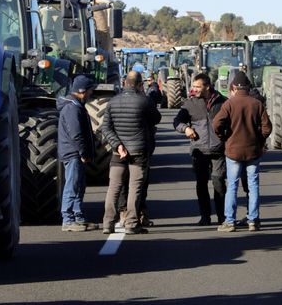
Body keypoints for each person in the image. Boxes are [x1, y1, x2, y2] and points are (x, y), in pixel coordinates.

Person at [101, 71, 161, 234]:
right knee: (135, 187)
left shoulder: (112, 102)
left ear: (125, 83)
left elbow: (105, 127)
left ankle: (108, 223)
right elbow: (157, 118)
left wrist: (118, 144)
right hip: (139, 150)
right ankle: (132, 223)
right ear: (141, 85)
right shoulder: (144, 100)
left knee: (114, 187)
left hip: (117, 152)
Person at [213, 71, 272, 232]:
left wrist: (224, 136)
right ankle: (253, 220)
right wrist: (260, 140)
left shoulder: (229, 104)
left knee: (232, 185)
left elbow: (217, 123)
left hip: (233, 151)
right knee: (253, 185)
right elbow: (267, 127)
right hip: (253, 150)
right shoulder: (257, 104)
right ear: (248, 87)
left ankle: (230, 221)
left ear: (233, 87)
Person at [173, 73, 227, 226]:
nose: (194, 89)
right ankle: (205, 217)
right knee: (201, 184)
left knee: (219, 183)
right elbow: (177, 121)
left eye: (197, 86)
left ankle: (223, 217)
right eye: (193, 86)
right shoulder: (189, 104)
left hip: (218, 150)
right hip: (199, 151)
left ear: (207, 87)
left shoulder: (223, 102)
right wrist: (185, 129)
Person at [57, 75, 97, 232]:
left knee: (79, 185)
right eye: (90, 91)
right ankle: (68, 219)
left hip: (76, 152)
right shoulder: (72, 108)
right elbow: (76, 134)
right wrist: (82, 151)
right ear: (82, 91)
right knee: (72, 186)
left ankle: (78, 217)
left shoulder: (76, 106)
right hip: (73, 153)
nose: (91, 94)